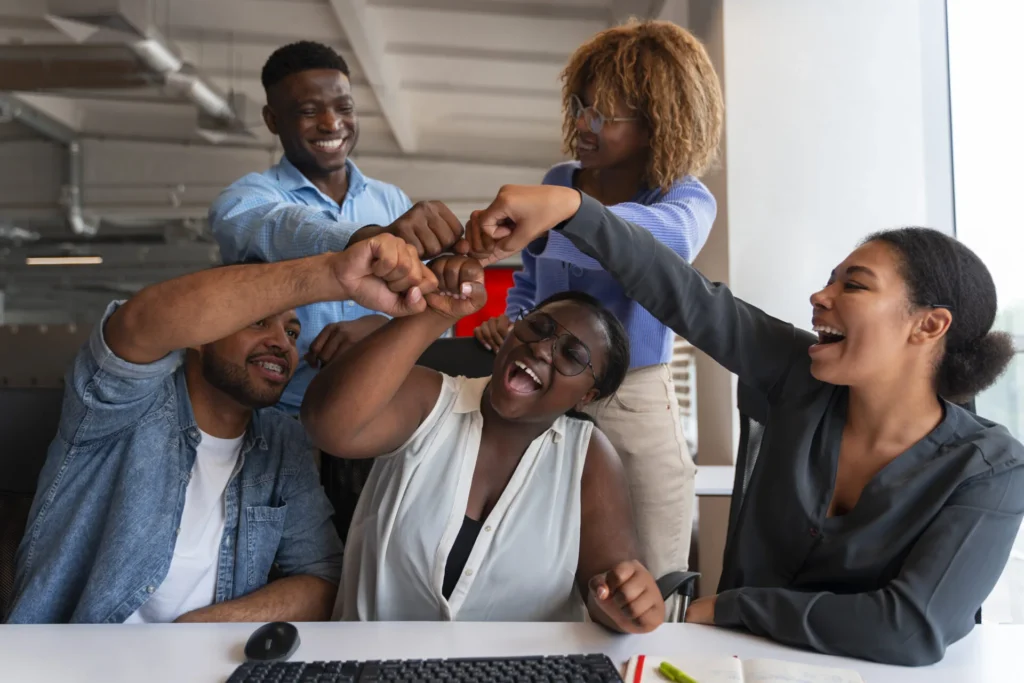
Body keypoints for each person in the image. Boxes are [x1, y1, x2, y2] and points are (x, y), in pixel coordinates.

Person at [461, 184, 1023, 665]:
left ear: (928, 325)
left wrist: (723, 607)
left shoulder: (992, 469)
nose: (819, 296)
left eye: (852, 285)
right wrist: (571, 207)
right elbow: (689, 297)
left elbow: (910, 628)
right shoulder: (798, 374)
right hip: (728, 665)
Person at [7, 233, 436, 624]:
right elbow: (140, 324)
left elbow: (322, 579)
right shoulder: (120, 406)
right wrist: (331, 274)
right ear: (201, 334)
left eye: (291, 331)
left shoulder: (282, 443)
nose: (282, 343)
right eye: (259, 322)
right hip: (70, 665)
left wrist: (207, 626)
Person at [473, 20, 724, 584]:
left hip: (632, 395)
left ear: (658, 122)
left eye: (604, 115)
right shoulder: (562, 178)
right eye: (582, 106)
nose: (584, 125)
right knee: (539, 558)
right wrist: (514, 320)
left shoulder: (682, 199)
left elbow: (665, 243)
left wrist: (559, 215)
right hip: (546, 388)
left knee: (654, 567)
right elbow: (534, 284)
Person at [301, 255, 665, 633]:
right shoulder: (430, 398)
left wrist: (628, 602)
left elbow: (609, 589)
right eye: (537, 327)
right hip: (377, 668)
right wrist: (436, 312)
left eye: (572, 355)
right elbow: (327, 425)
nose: (541, 349)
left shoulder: (588, 456)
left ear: (586, 396)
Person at [210, 40, 464, 413]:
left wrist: (380, 327)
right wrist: (363, 240)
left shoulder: (391, 200)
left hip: (380, 415)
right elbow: (277, 226)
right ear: (272, 120)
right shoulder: (249, 198)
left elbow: (437, 319)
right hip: (282, 418)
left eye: (343, 108)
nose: (332, 123)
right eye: (309, 111)